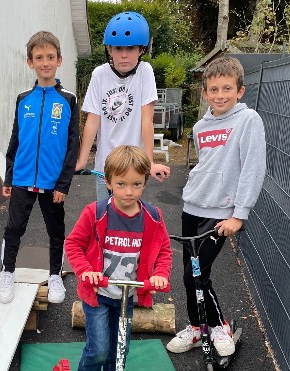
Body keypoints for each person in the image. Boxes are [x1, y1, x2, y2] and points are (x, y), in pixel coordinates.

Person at [166, 56, 266, 357]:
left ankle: (219, 325)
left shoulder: (248, 121)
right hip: (192, 206)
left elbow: (253, 168)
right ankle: (197, 329)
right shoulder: (200, 126)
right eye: (213, 89)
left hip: (220, 214)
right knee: (190, 272)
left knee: (194, 274)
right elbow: (207, 166)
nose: (220, 95)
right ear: (205, 93)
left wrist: (239, 214)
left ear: (240, 91)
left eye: (227, 88)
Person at [65, 145, 173, 370]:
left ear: (145, 181)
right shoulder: (95, 213)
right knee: (98, 350)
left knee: (118, 352)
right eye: (121, 184)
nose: (128, 192)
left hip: (127, 296)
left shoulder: (153, 217)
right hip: (98, 294)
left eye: (136, 184)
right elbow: (73, 244)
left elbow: (163, 250)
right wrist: (87, 271)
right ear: (108, 182)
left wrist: (160, 275)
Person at [0, 31, 80, 305]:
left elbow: (72, 146)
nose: (45, 62)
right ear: (30, 62)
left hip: (52, 181)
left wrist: (63, 184)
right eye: (39, 57)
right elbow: (15, 139)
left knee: (55, 232)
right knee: (14, 229)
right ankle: (7, 272)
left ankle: (55, 274)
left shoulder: (67, 100)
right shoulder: (23, 99)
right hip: (21, 178)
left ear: (59, 60)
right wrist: (9, 176)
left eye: (50, 57)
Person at [75, 11, 170, 201]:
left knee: (131, 221)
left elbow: (146, 120)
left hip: (134, 166)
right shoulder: (99, 74)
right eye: (118, 48)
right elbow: (93, 121)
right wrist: (82, 160)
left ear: (141, 50)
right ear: (109, 50)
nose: (124, 55)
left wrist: (149, 161)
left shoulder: (145, 72)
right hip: (105, 167)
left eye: (131, 48)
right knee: (105, 218)